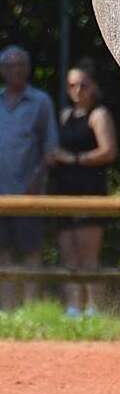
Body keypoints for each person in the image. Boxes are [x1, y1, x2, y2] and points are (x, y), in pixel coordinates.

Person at [50, 60, 118, 316]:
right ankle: (72, 307)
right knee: (69, 253)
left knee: (88, 254)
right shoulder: (64, 116)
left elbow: (108, 151)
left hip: (90, 189)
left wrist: (74, 159)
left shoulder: (99, 115)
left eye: (83, 85)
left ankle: (93, 307)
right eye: (72, 85)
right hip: (65, 189)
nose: (78, 90)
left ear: (93, 87)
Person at [0, 45, 59, 308]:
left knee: (31, 252)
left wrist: (36, 182)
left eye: (21, 64)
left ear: (29, 68)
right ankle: (8, 309)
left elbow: (50, 149)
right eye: (11, 65)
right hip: (1, 196)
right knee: (3, 254)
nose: (17, 70)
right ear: (3, 70)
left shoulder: (41, 102)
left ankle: (31, 308)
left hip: (29, 192)